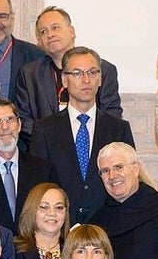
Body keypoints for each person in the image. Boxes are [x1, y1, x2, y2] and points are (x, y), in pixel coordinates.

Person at [28, 47, 134, 225]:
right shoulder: (44, 129)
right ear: (64, 80)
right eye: (77, 73)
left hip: (109, 227)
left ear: (100, 79)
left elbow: (129, 183)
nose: (86, 80)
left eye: (92, 72)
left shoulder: (118, 129)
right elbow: (39, 186)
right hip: (60, 228)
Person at [14, 6, 123, 132]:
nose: (50, 34)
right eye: (43, 31)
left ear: (72, 31)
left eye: (55, 28)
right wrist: (50, 142)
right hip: (45, 149)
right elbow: (24, 119)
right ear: (39, 41)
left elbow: (112, 116)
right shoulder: (29, 74)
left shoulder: (103, 69)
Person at [92, 142, 158, 259]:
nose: (112, 176)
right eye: (105, 171)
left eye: (119, 167)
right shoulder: (96, 222)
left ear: (136, 169)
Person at [0, 98, 54, 233]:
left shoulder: (43, 170)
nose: (5, 127)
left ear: (19, 125)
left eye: (10, 119)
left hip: (33, 249)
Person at [14, 183, 70, 259]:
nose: (52, 213)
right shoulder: (14, 252)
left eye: (59, 207)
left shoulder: (75, 250)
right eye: (44, 207)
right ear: (31, 211)